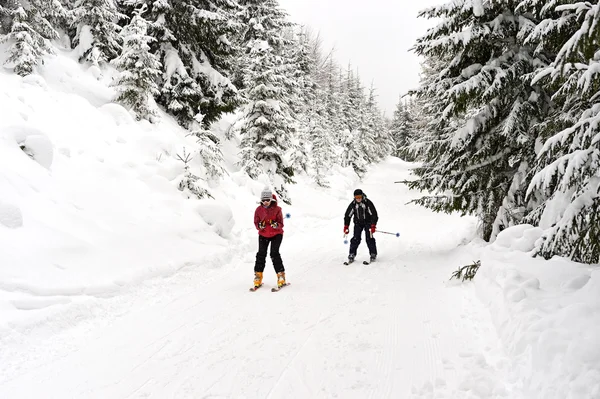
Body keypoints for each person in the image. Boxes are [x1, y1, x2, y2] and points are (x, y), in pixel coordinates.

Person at [253, 188, 286, 288]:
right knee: (261, 254)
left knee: (274, 253)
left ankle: (281, 275)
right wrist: (260, 226)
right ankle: (258, 276)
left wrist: (276, 225)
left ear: (271, 199)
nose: (265, 202)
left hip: (276, 234)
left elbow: (281, 224)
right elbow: (256, 223)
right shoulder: (258, 210)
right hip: (263, 234)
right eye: (263, 200)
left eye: (267, 200)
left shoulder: (277, 209)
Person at [343, 188, 378, 263]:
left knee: (369, 238)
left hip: (368, 223)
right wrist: (346, 226)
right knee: (355, 238)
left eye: (359, 197)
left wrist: (373, 225)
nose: (358, 199)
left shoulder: (367, 203)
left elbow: (374, 215)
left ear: (362, 196)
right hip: (358, 223)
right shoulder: (353, 204)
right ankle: (352, 254)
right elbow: (348, 215)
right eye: (356, 197)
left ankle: (373, 253)